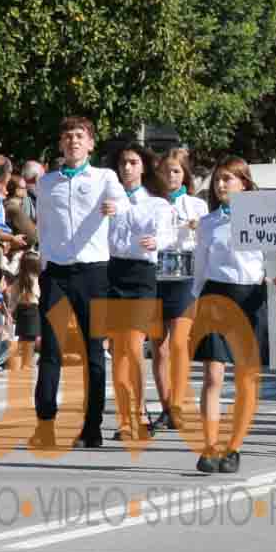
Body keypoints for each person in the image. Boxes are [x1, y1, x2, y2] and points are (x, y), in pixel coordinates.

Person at [32, 117, 120, 449]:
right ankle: (45, 422)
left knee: (93, 351)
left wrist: (115, 206)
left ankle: (92, 426)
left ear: (90, 143)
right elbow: (43, 227)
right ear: (61, 144)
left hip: (93, 271)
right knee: (51, 350)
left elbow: (123, 203)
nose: (73, 141)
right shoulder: (47, 182)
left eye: (80, 136)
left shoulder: (103, 177)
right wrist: (43, 265)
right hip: (56, 272)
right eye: (68, 136)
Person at [190, 156, 274, 474]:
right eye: (217, 179)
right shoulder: (208, 223)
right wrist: (194, 301)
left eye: (228, 179)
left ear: (244, 183)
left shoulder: (263, 217)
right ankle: (209, 446)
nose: (221, 184)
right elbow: (200, 267)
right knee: (213, 375)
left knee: (245, 378)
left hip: (250, 296)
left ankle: (234, 447)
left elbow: (273, 257)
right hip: (215, 296)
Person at [104, 141, 175, 440]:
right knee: (116, 349)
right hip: (111, 271)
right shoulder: (108, 198)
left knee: (133, 346)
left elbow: (169, 233)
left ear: (143, 167)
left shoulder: (156, 203)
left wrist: (157, 241)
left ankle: (140, 414)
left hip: (141, 274)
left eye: (133, 162)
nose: (127, 168)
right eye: (123, 163)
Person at [154, 146, 207, 433]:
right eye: (165, 171)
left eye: (175, 171)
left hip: (185, 276)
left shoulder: (196, 205)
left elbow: (207, 240)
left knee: (178, 343)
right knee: (159, 348)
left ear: (184, 175)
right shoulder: (150, 202)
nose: (170, 176)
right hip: (156, 276)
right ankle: (166, 409)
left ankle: (177, 404)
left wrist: (199, 229)